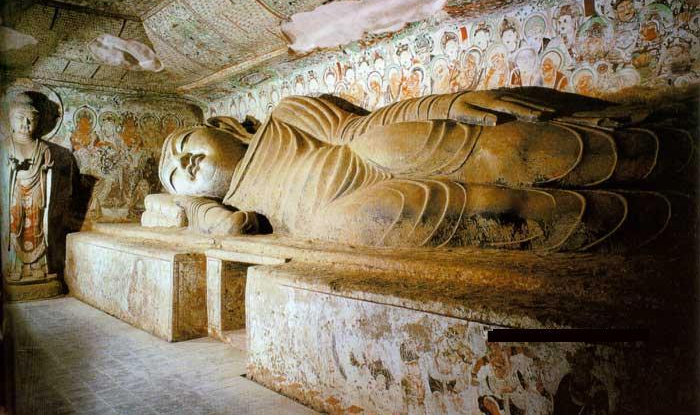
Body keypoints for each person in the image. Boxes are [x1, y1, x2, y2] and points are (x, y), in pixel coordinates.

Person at [156, 87, 693, 252]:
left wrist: (445, 104)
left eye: (183, 143)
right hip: (335, 213)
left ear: (222, 125)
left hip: (366, 151)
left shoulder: (285, 116)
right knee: (497, 209)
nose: (184, 163)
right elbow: (223, 226)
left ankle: (666, 149)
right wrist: (192, 205)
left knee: (509, 152)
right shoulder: (229, 207)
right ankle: (663, 218)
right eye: (177, 175)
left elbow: (356, 127)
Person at [7, 93, 53, 280]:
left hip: (36, 190)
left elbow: (47, 171)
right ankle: (15, 265)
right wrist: (10, 169)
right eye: (20, 118)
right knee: (15, 224)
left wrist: (45, 170)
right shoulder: (6, 145)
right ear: (11, 119)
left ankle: (36, 265)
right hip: (15, 191)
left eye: (30, 120)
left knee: (35, 226)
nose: (25, 124)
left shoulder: (43, 147)